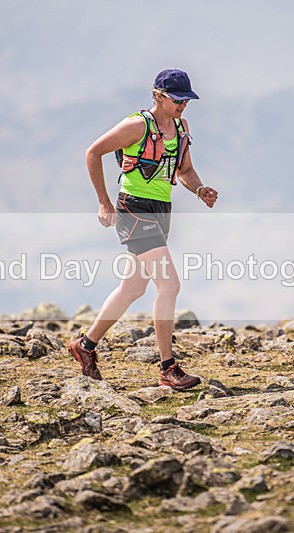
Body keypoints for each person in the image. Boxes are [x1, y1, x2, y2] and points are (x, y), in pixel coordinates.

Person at [68, 68, 218, 390]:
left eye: (186, 100)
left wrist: (200, 189)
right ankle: (168, 368)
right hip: (134, 208)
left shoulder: (181, 127)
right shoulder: (137, 126)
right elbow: (92, 152)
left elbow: (186, 170)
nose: (183, 106)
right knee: (170, 285)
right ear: (159, 96)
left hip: (161, 210)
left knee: (133, 289)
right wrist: (104, 202)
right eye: (178, 100)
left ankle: (85, 346)